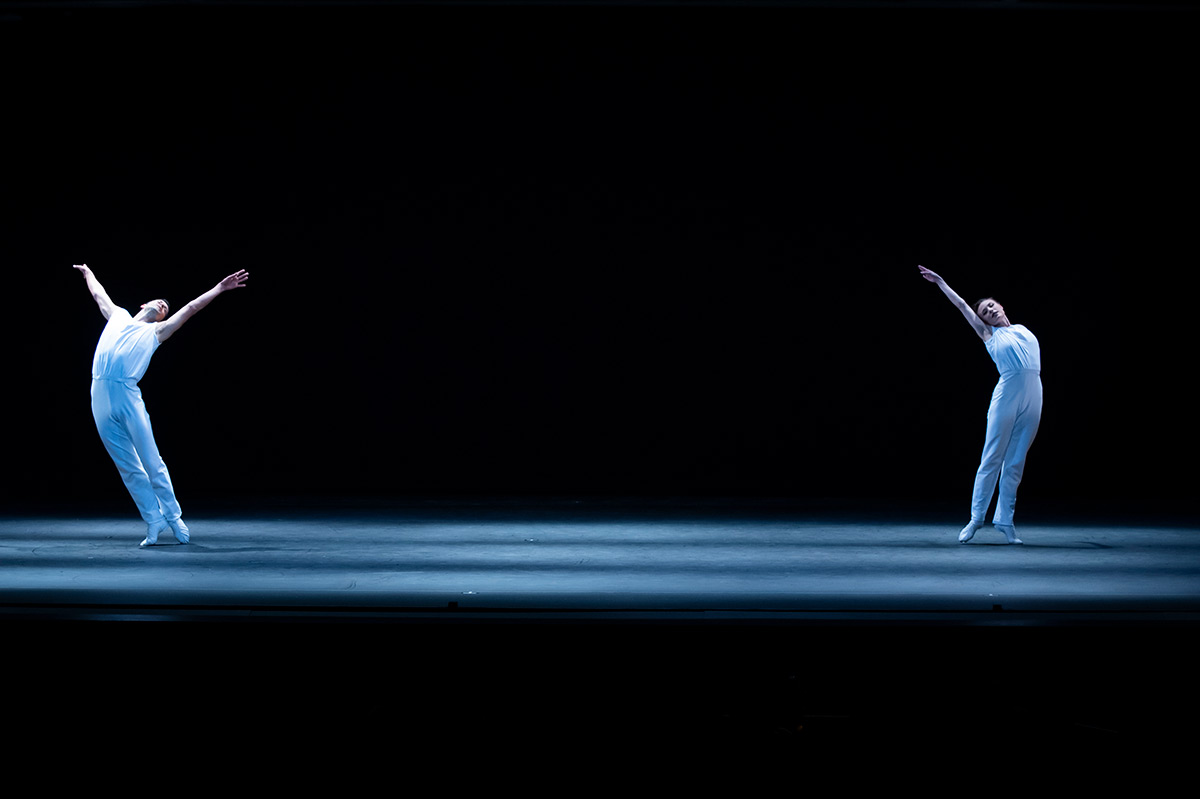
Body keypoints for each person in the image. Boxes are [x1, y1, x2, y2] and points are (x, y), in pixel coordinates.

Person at [75, 264, 250, 546]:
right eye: (160, 303)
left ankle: (173, 516)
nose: (163, 306)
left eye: (166, 309)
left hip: (127, 394)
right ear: (144, 304)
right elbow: (99, 295)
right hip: (99, 393)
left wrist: (220, 288)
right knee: (128, 466)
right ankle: (153, 521)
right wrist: (88, 273)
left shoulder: (157, 331)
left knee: (152, 461)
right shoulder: (118, 316)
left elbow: (191, 308)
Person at [918, 265, 1041, 544]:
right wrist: (940, 282)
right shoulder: (989, 334)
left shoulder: (1023, 329)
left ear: (1001, 305)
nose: (990, 311)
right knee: (992, 456)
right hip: (1008, 392)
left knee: (1016, 461)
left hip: (1034, 391)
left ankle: (1005, 522)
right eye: (985, 312)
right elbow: (962, 305)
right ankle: (976, 519)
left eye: (991, 306)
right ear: (983, 320)